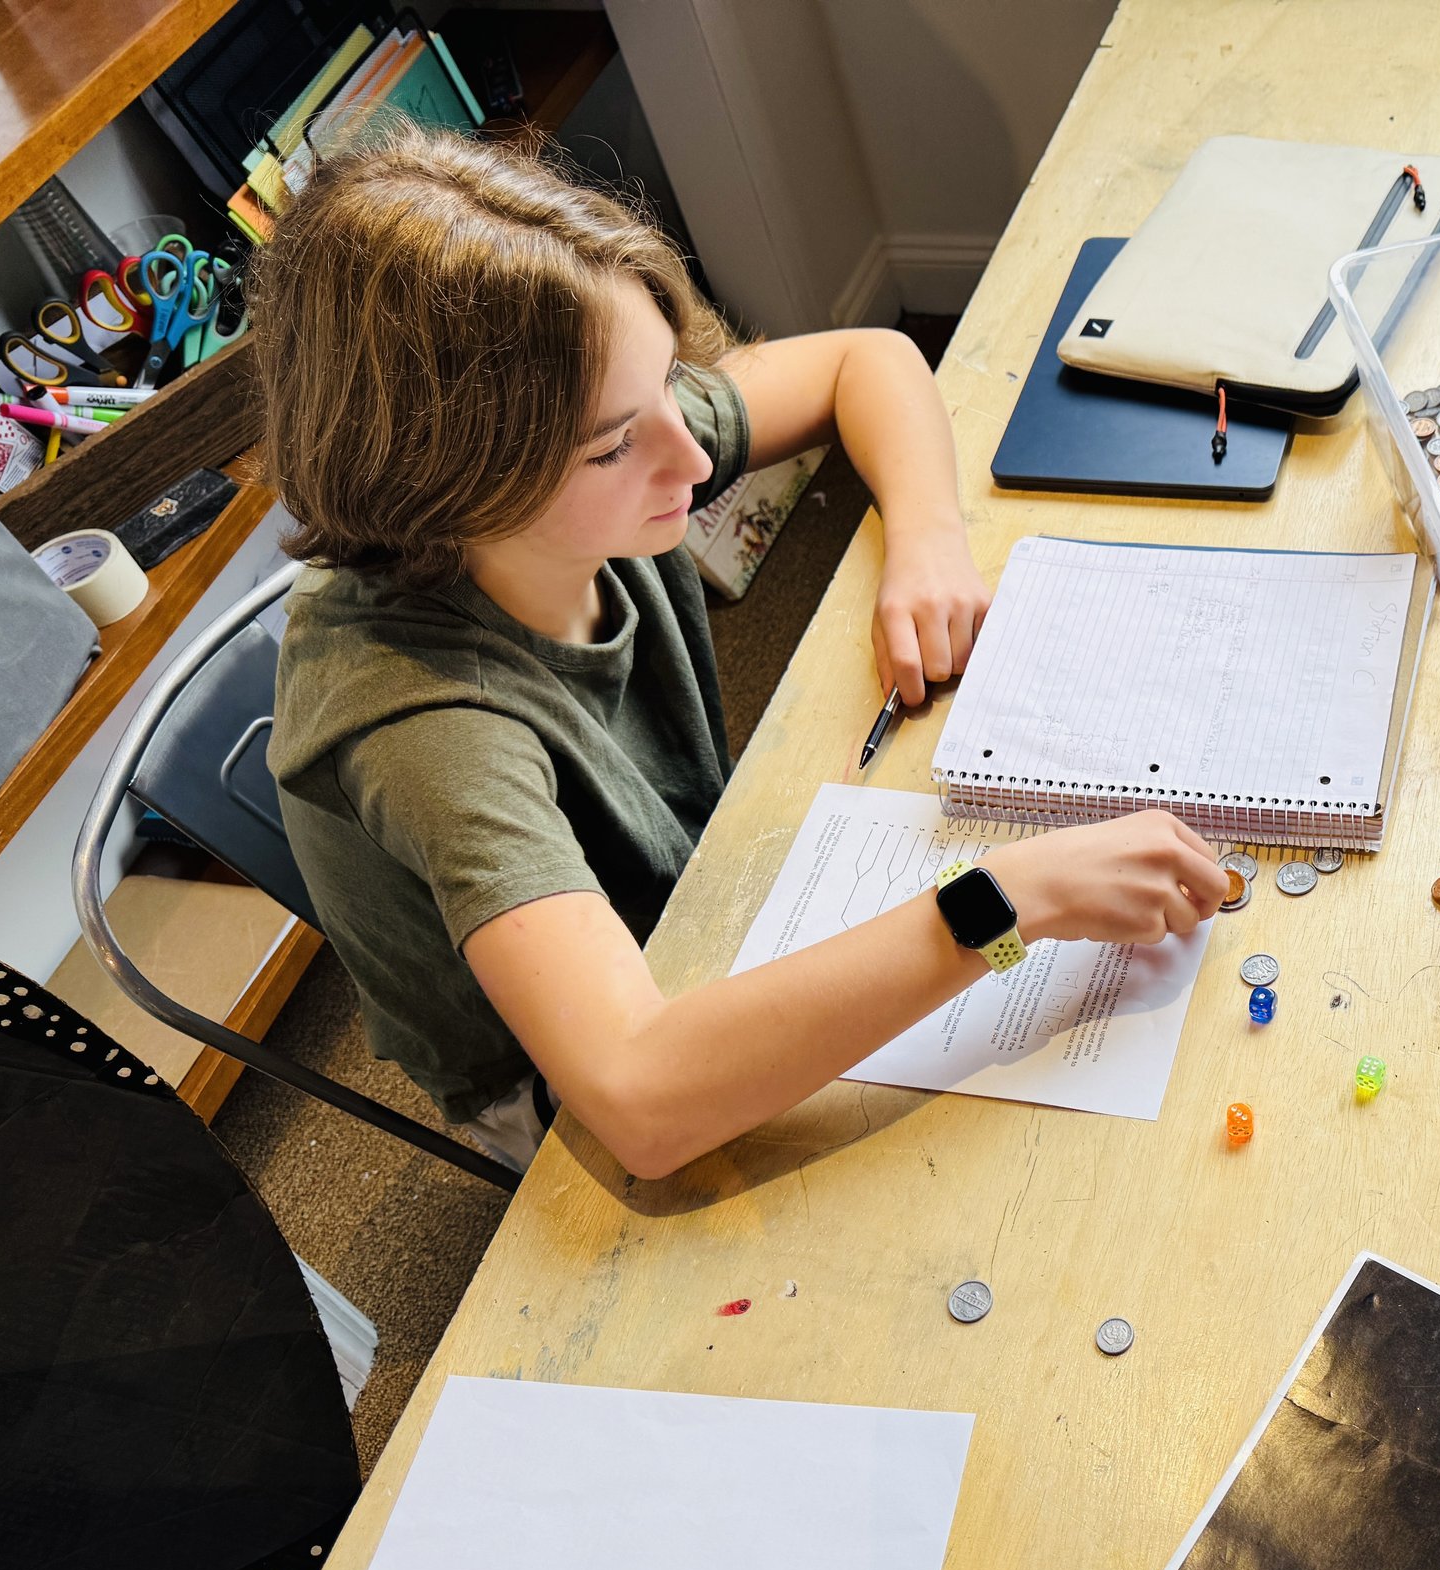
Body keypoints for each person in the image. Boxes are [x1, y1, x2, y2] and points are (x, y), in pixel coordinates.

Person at [255, 128, 1225, 1177]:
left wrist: (928, 539)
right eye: (615, 444)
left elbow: (869, 358)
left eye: (672, 383)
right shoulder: (427, 728)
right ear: (456, 481)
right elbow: (640, 1100)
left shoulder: (592, 430)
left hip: (692, 898)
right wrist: (1008, 901)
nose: (688, 450)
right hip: (565, 1077)